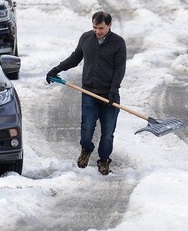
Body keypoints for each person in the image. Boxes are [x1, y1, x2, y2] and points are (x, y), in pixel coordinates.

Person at [46, 11, 127, 175]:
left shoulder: (118, 43)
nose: (97, 31)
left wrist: (113, 90)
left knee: (108, 133)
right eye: (95, 27)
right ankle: (86, 149)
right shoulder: (86, 38)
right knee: (87, 128)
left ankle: (104, 161)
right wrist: (56, 69)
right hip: (89, 92)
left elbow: (120, 69)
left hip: (109, 95)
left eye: (101, 28)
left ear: (110, 26)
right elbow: (75, 58)